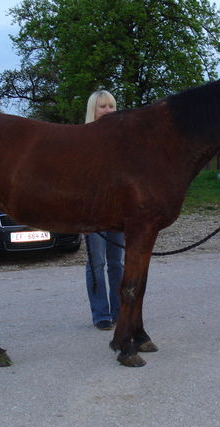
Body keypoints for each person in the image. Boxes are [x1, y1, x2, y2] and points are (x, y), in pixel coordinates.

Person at [84, 90, 124, 331]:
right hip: (93, 212)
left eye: (111, 106)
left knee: (117, 263)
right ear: (93, 110)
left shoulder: (122, 139)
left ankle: (119, 310)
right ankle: (101, 314)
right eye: (102, 107)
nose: (108, 111)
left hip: (118, 210)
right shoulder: (84, 139)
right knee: (95, 263)